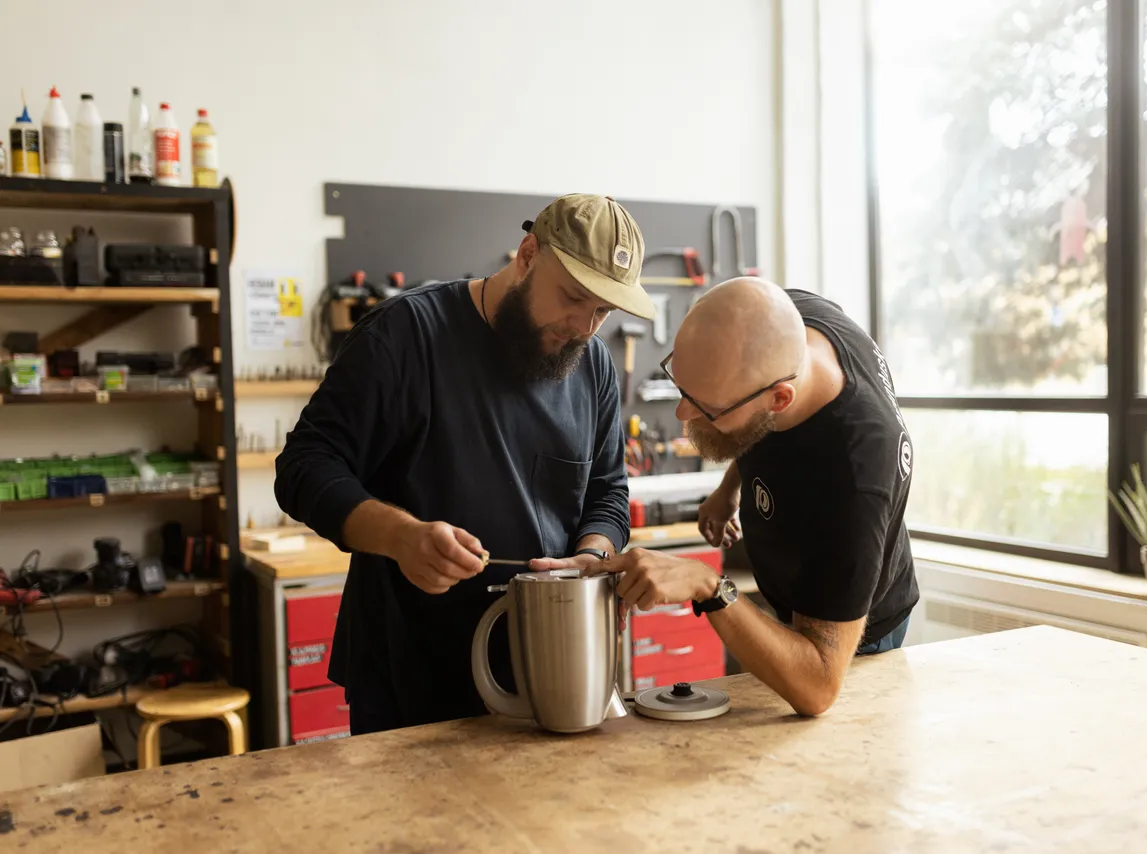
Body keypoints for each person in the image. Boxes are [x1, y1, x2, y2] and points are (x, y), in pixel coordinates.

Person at [275, 193, 655, 734]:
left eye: (603, 310)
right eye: (573, 297)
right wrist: (401, 536)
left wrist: (591, 556)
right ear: (527, 255)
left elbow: (608, 493)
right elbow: (303, 466)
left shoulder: (592, 365)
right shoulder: (406, 335)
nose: (584, 326)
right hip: (407, 684)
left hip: (547, 675)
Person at [536, 278, 916, 716]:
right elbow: (753, 420)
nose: (682, 415)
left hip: (857, 643)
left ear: (779, 399)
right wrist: (728, 489)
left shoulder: (855, 477)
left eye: (705, 408)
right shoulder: (781, 316)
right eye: (680, 383)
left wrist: (708, 585)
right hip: (792, 583)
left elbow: (818, 687)